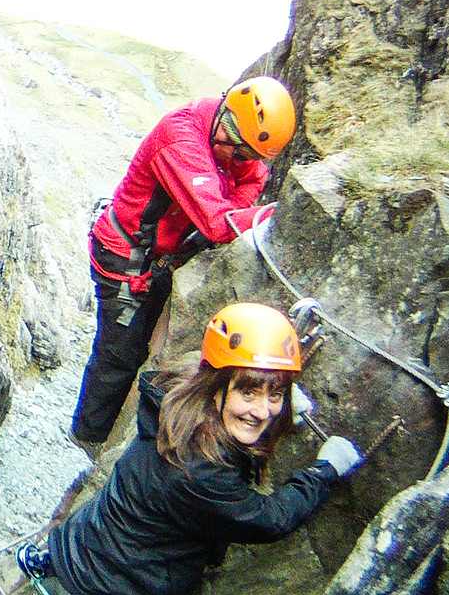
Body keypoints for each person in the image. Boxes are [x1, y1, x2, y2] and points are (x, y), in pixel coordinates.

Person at [0, 303, 362, 595]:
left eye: (274, 395)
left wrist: (273, 406)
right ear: (218, 390)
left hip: (75, 553)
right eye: (249, 392)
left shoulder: (175, 394)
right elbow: (269, 518)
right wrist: (324, 472)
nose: (263, 410)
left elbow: (219, 380)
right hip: (100, 594)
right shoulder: (201, 475)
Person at [70, 76, 297, 455]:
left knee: (144, 348)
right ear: (226, 125)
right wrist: (270, 215)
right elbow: (217, 221)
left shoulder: (229, 135)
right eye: (240, 153)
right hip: (126, 260)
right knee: (119, 354)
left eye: (248, 155)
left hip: (160, 255)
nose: (242, 162)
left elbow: (252, 178)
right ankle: (89, 436)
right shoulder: (181, 139)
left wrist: (238, 198)